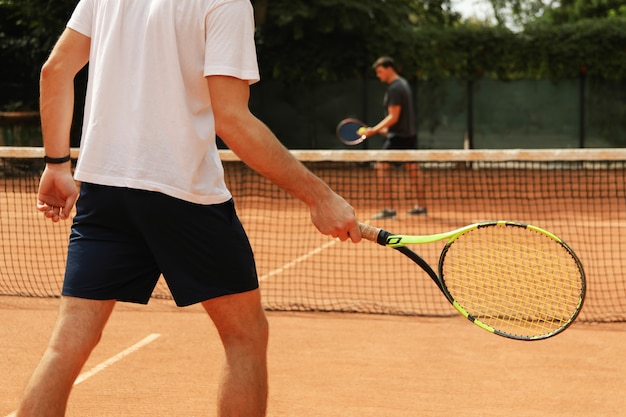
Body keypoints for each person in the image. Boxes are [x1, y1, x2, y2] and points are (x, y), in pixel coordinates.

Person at [16, 1, 361, 416]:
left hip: (104, 190)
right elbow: (230, 119)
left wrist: (56, 165)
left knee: (67, 342)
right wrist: (319, 197)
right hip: (182, 192)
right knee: (244, 337)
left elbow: (54, 70)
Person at [360, 56, 427, 220]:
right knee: (413, 169)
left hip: (399, 137)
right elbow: (400, 117)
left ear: (389, 68)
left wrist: (374, 130)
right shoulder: (403, 84)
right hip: (408, 134)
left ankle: (389, 209)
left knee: (380, 167)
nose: (378, 75)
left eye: (380, 71)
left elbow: (394, 116)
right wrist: (387, 130)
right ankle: (421, 206)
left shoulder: (395, 88)